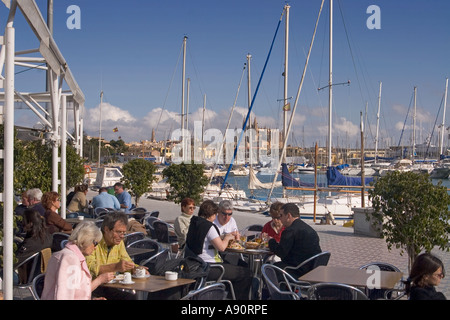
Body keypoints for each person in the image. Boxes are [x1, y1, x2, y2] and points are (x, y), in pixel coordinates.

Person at [185, 200, 252, 300]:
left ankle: (227, 295)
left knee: (237, 265)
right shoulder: (209, 226)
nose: (215, 217)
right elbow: (221, 247)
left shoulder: (195, 223)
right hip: (208, 267)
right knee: (246, 273)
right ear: (212, 214)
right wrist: (227, 238)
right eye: (215, 215)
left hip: (193, 264)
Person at [41, 221, 115, 300]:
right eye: (95, 243)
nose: (95, 247)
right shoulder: (70, 258)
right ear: (87, 239)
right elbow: (65, 294)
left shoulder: (66, 255)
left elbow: (76, 292)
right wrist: (99, 280)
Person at [86, 211, 139, 300]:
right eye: (118, 232)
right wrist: (115, 267)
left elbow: (126, 261)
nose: (122, 236)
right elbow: (90, 268)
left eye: (124, 233)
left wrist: (135, 268)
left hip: (109, 287)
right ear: (106, 229)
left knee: (131, 298)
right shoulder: (93, 241)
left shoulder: (119, 243)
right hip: (91, 287)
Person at [268, 203, 322, 278]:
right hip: (314, 269)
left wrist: (271, 241)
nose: (280, 218)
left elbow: (281, 252)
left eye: (281, 215)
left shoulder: (290, 230)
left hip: (298, 270)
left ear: (288, 216)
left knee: (268, 269)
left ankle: (276, 289)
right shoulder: (309, 229)